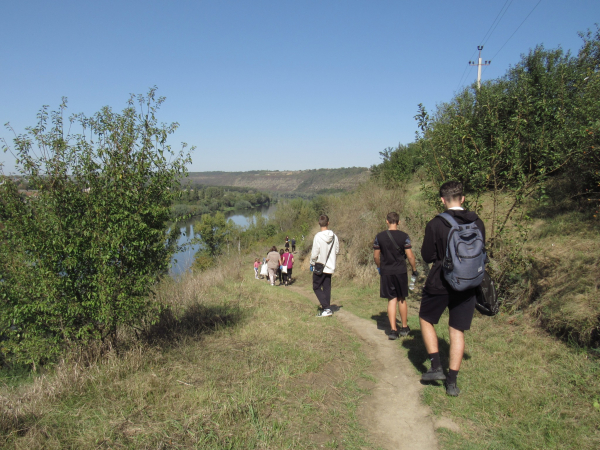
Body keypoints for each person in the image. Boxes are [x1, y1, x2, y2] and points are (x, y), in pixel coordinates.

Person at [419, 181, 486, 397]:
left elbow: (428, 256)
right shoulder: (478, 222)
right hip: (468, 284)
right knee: (457, 329)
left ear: (442, 200)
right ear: (463, 198)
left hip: (440, 281)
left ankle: (436, 366)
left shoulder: (436, 224)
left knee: (426, 318)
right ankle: (452, 382)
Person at [373, 212, 417, 340]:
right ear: (399, 222)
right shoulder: (404, 236)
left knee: (391, 300)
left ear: (387, 221)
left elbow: (376, 256)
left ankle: (393, 330)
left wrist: (379, 267)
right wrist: (414, 269)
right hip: (401, 271)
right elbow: (410, 256)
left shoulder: (379, 237)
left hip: (386, 271)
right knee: (401, 299)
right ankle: (404, 327)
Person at [310, 215, 340, 317]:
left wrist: (312, 262)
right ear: (328, 223)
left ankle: (326, 308)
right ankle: (326, 309)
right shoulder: (334, 237)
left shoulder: (318, 236)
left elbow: (314, 253)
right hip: (330, 266)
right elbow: (336, 250)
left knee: (316, 287)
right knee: (327, 287)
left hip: (319, 265)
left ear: (319, 223)